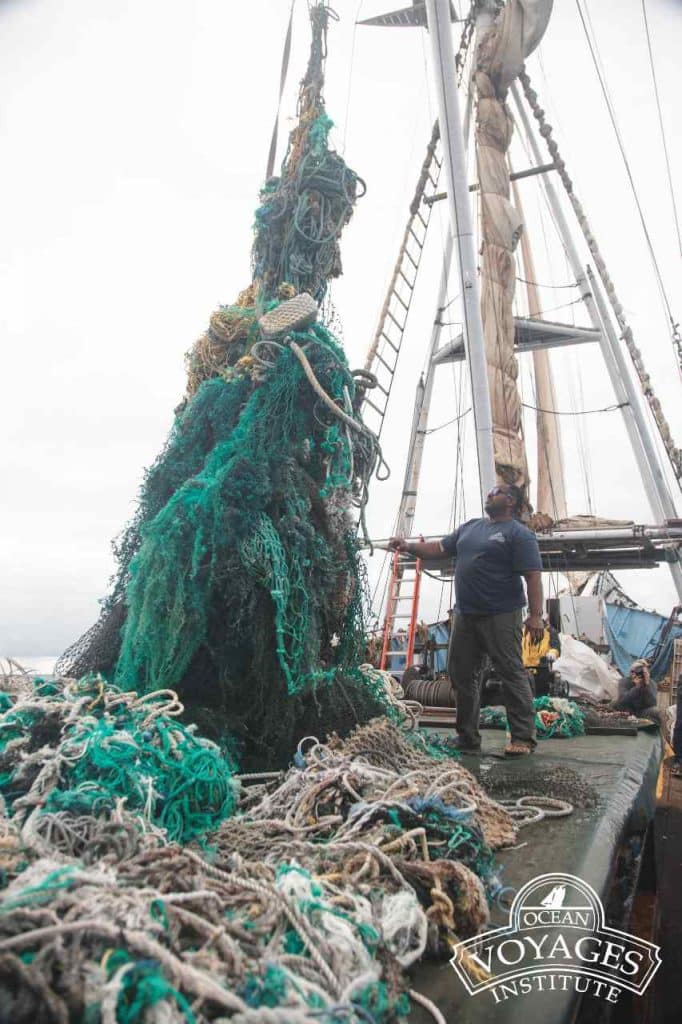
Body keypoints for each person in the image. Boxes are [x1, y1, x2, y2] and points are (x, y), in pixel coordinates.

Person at [388, 483, 544, 757]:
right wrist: (409, 546)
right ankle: (467, 738)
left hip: (501, 614)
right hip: (465, 614)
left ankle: (522, 738)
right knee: (461, 675)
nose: (488, 494)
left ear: (510, 500)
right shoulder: (471, 527)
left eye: (495, 491)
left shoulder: (519, 534)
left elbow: (532, 576)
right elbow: (439, 548)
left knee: (510, 672)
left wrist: (535, 616)